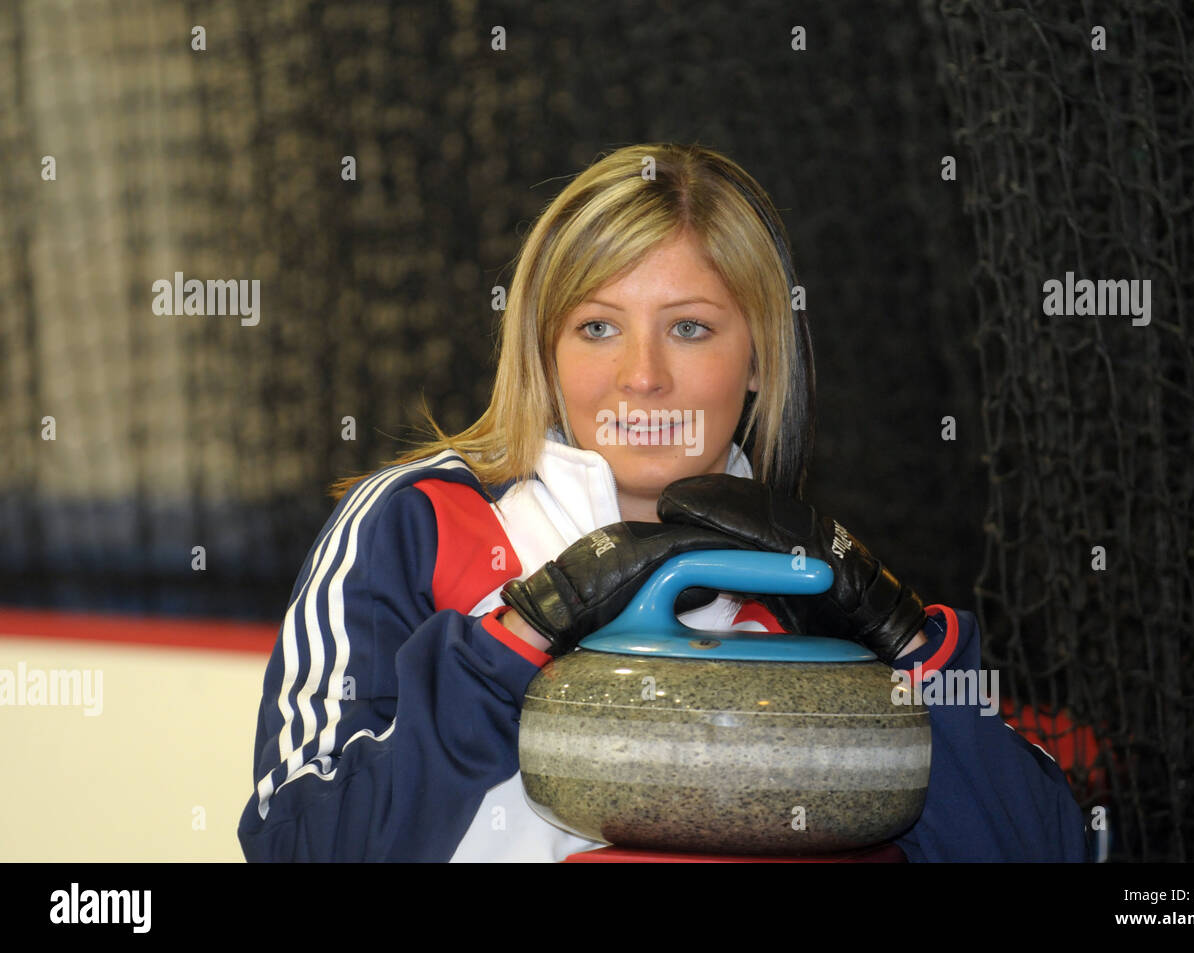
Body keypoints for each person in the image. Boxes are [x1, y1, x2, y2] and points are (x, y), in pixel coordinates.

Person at [236, 142, 1091, 862]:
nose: (642, 376)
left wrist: (903, 640)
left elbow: (1047, 847)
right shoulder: (420, 524)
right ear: (545, 350)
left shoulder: (816, 590)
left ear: (757, 359)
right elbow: (299, 842)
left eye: (689, 327)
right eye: (598, 326)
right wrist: (517, 639)